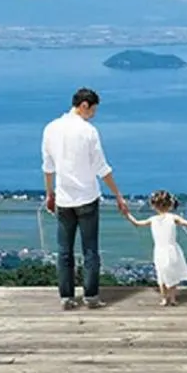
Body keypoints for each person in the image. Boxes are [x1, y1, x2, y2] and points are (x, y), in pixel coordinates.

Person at [41, 87, 129, 309]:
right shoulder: (88, 131)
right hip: (87, 198)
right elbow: (102, 168)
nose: (94, 115)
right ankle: (91, 296)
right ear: (84, 106)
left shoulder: (51, 129)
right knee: (90, 250)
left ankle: (66, 296)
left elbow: (48, 168)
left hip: (63, 198)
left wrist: (49, 194)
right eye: (93, 110)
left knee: (64, 251)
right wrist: (118, 195)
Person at [125, 189, 187, 306]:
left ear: (154, 206)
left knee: (162, 275)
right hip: (172, 249)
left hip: (159, 251)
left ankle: (164, 298)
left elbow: (137, 223)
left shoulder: (152, 219)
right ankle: (173, 298)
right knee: (173, 275)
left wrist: (127, 214)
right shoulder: (173, 217)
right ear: (170, 204)